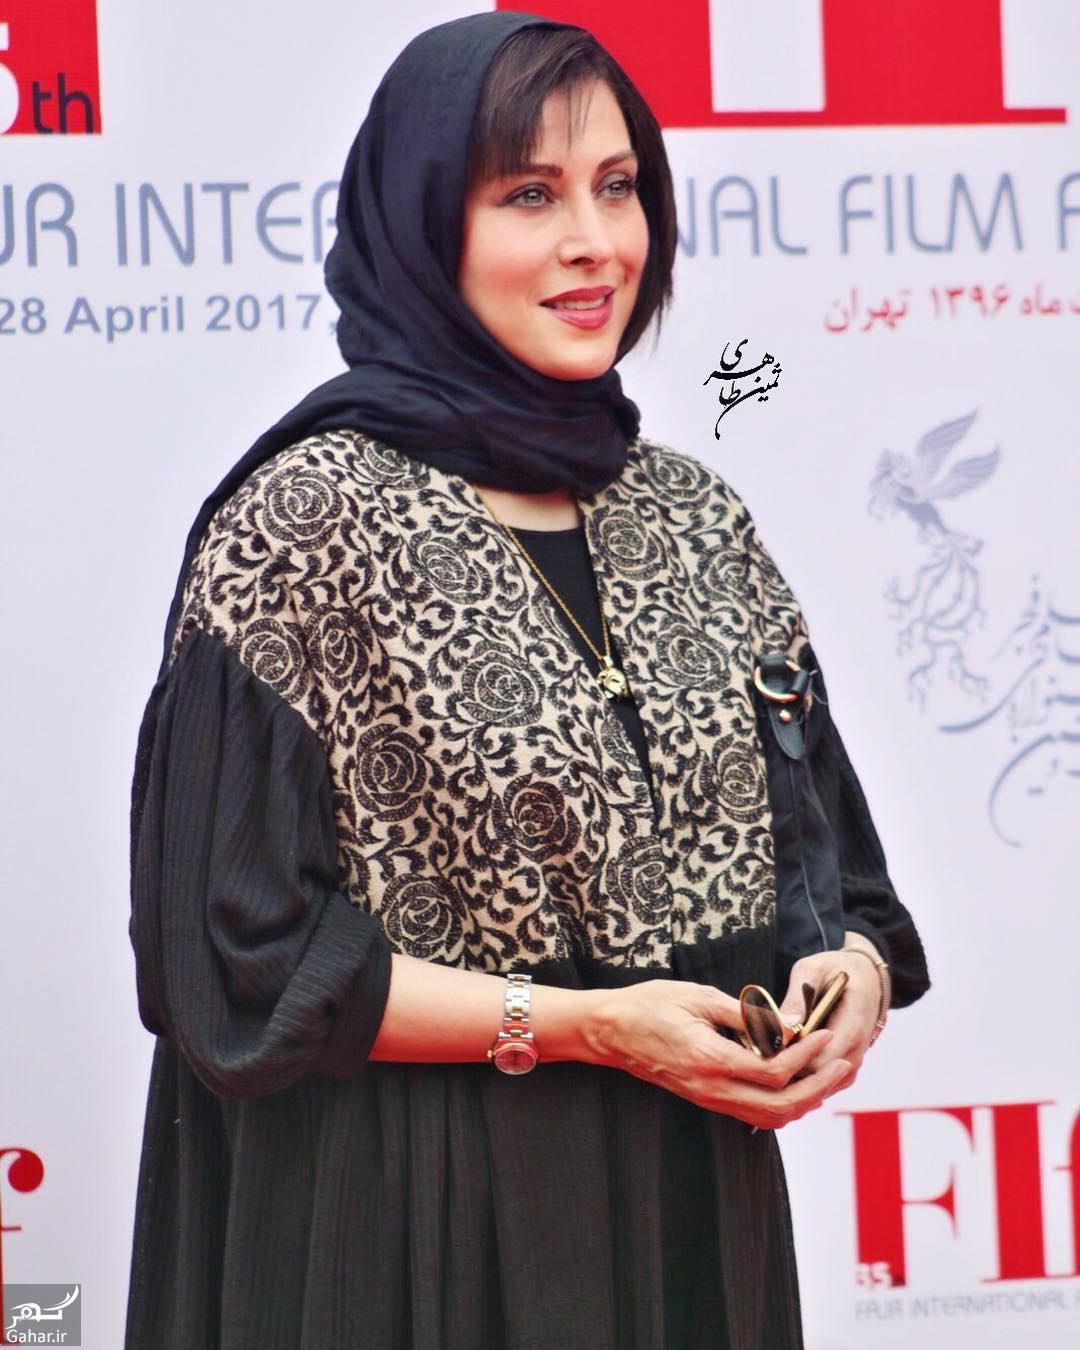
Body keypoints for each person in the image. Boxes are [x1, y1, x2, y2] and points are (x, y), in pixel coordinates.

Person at [125, 11, 929, 1349]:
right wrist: (584, 1025)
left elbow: (831, 873)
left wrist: (851, 975)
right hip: (404, 1219)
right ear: (422, 224)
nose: (596, 241)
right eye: (530, 195)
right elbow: (233, 963)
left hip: (686, 1206)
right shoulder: (301, 528)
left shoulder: (692, 517)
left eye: (619, 186)